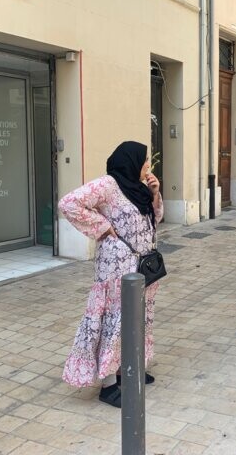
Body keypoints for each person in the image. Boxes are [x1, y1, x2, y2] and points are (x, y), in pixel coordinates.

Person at [58, 141, 163, 408]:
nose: (147, 166)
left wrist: (154, 193)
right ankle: (108, 384)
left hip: (141, 268)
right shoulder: (107, 185)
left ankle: (127, 368)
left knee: (136, 320)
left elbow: (156, 218)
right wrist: (102, 226)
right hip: (115, 270)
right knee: (114, 323)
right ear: (130, 161)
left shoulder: (138, 188)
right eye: (144, 160)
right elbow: (69, 203)